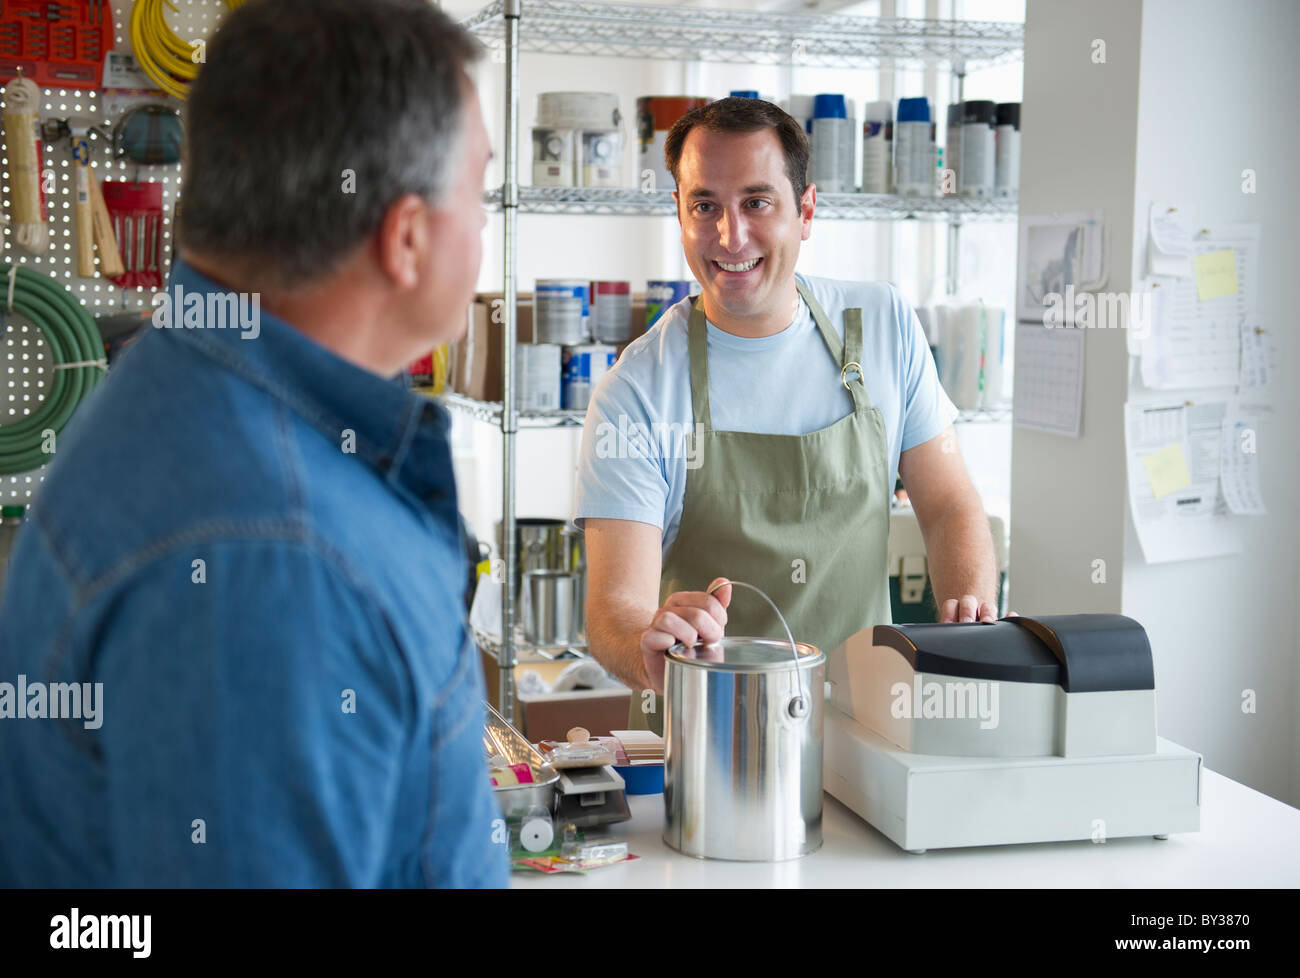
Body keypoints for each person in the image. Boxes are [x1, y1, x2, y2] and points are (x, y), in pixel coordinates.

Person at [0, 0, 507, 887]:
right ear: (409, 236)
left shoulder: (198, 396)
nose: (485, 225)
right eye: (480, 191)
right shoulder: (273, 555)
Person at [577, 98, 999, 731]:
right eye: (705, 206)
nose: (730, 236)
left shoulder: (882, 328)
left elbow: (948, 505)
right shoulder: (637, 390)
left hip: (870, 727)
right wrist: (648, 642)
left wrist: (970, 614)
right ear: (679, 214)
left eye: (756, 202)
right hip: (715, 746)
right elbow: (614, 604)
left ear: (805, 213)